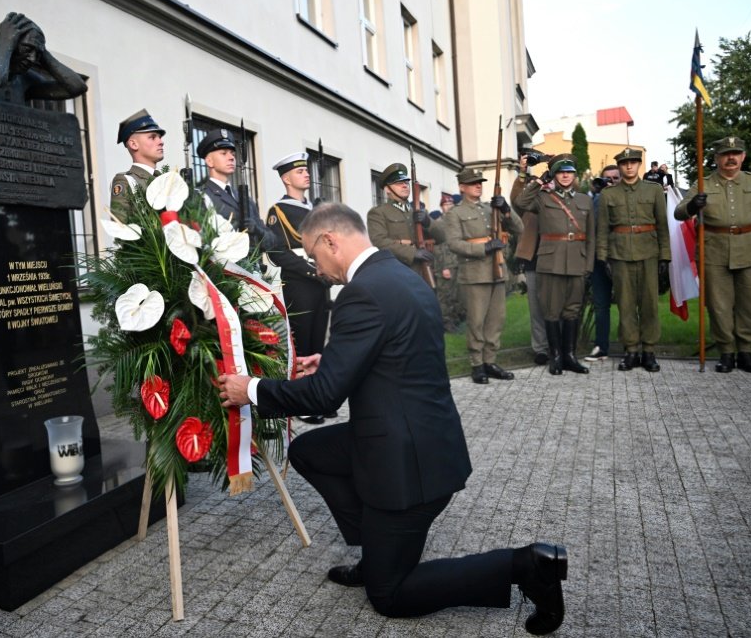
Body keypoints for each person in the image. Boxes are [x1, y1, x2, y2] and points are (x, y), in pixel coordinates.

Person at [216, 203, 567, 634]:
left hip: (408, 468)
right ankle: (378, 547)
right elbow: (398, 349)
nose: (317, 268)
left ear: (331, 241)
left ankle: (527, 564)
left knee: (390, 596)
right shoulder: (398, 276)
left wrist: (248, 389)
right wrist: (332, 359)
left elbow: (325, 394)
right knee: (310, 450)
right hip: (423, 441)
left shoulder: (360, 293)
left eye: (313, 255)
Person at [674, 137, 751, 373]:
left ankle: (746, 351)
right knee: (718, 305)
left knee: (749, 304)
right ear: (716, 158)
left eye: (736, 153)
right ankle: (727, 352)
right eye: (725, 153)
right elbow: (680, 212)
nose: (731, 157)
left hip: (750, 249)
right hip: (713, 251)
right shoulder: (703, 184)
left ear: (743, 156)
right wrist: (692, 206)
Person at [265, 152, 331, 424]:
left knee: (318, 342)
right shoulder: (278, 211)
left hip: (321, 281)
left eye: (306, 170)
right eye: (299, 171)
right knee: (301, 344)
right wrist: (310, 270)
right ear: (286, 178)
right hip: (300, 283)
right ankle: (303, 402)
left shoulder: (315, 209)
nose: (306, 174)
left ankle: (318, 397)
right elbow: (276, 251)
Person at [515, 154, 594, 375]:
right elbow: (520, 202)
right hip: (550, 261)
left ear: (574, 175)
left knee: (572, 310)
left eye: (569, 172)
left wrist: (588, 264)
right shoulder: (542, 198)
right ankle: (556, 356)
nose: (565, 176)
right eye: (560, 172)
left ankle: (569, 356)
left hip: (577, 260)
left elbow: (592, 236)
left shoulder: (584, 200)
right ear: (554, 175)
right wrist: (540, 180)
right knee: (551, 310)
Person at [444, 169, 523, 384]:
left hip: (496, 270)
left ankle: (490, 361)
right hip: (474, 273)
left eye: (480, 182)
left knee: (496, 320)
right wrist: (484, 248)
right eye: (472, 183)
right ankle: (477, 364)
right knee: (476, 321)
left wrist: (506, 209)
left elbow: (519, 228)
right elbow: (453, 243)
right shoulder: (455, 214)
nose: (478, 185)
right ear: (462, 187)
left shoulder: (490, 209)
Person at [597, 148, 670, 372]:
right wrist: (603, 257)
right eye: (624, 163)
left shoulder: (654, 190)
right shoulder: (608, 195)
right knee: (626, 305)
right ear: (619, 166)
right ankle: (631, 351)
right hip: (619, 255)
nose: (629, 166)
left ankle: (648, 351)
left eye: (633, 162)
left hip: (648, 252)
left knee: (649, 305)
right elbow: (603, 229)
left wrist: (665, 255)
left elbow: (662, 225)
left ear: (639, 165)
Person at [0, 12, 87, 104]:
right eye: (27, 49)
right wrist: (4, 44)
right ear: (11, 42)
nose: (32, 59)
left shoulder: (24, 80)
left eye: (37, 54)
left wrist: (42, 51)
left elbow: (76, 87)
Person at [195, 128, 276, 252]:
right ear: (209, 161)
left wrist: (256, 230)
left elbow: (272, 243)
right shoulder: (202, 196)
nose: (231, 158)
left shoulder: (244, 198)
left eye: (233, 154)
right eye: (223, 153)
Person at [511, 156, 550, 366]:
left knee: (556, 306)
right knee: (536, 308)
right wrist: (523, 172)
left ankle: (558, 344)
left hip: (555, 258)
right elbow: (516, 199)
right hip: (534, 259)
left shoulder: (555, 197)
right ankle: (540, 348)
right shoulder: (527, 202)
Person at [366, 163, 434, 277]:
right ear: (387, 189)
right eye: (399, 183)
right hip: (397, 271)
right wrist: (412, 252)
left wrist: (428, 222)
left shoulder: (417, 211)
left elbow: (443, 236)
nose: (405, 186)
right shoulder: (378, 213)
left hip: (421, 271)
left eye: (406, 183)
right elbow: (380, 242)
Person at [584, 165, 619, 361]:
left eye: (615, 178)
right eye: (607, 178)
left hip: (622, 258)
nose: (611, 181)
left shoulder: (625, 199)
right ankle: (601, 346)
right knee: (600, 305)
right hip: (600, 259)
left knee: (628, 304)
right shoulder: (594, 200)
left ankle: (632, 347)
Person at [111, 109, 165, 217]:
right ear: (134, 144)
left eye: (159, 137)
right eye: (153, 137)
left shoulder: (164, 179)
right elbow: (121, 229)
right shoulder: (126, 181)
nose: (161, 142)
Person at [429, 193, 462, 332]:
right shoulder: (438, 224)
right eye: (446, 205)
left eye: (450, 204)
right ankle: (445, 322)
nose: (448, 207)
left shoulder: (455, 221)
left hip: (457, 262)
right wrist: (443, 268)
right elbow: (437, 248)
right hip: (445, 265)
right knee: (444, 296)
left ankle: (454, 320)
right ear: (441, 207)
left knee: (456, 295)